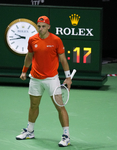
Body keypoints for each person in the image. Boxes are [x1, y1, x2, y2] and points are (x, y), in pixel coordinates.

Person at [16, 16, 72, 147]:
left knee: (60, 107)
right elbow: (29, 56)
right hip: (35, 78)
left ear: (48, 27)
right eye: (39, 26)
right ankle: (30, 131)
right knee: (33, 106)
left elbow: (63, 60)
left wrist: (68, 77)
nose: (40, 29)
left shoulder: (56, 40)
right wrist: (24, 71)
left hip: (52, 79)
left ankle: (66, 136)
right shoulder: (32, 39)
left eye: (43, 26)